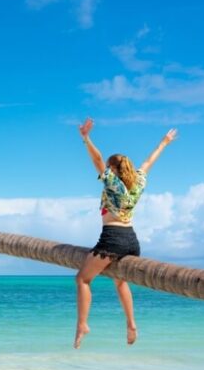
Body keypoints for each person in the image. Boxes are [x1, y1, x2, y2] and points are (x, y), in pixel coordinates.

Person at [74, 117, 177, 349]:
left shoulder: (113, 183)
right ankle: (131, 323)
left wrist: (86, 138)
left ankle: (82, 324)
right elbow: (149, 162)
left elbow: (97, 159)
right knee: (121, 282)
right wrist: (164, 142)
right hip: (132, 240)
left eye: (109, 167)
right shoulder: (138, 182)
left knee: (83, 279)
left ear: (113, 169)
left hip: (113, 239)